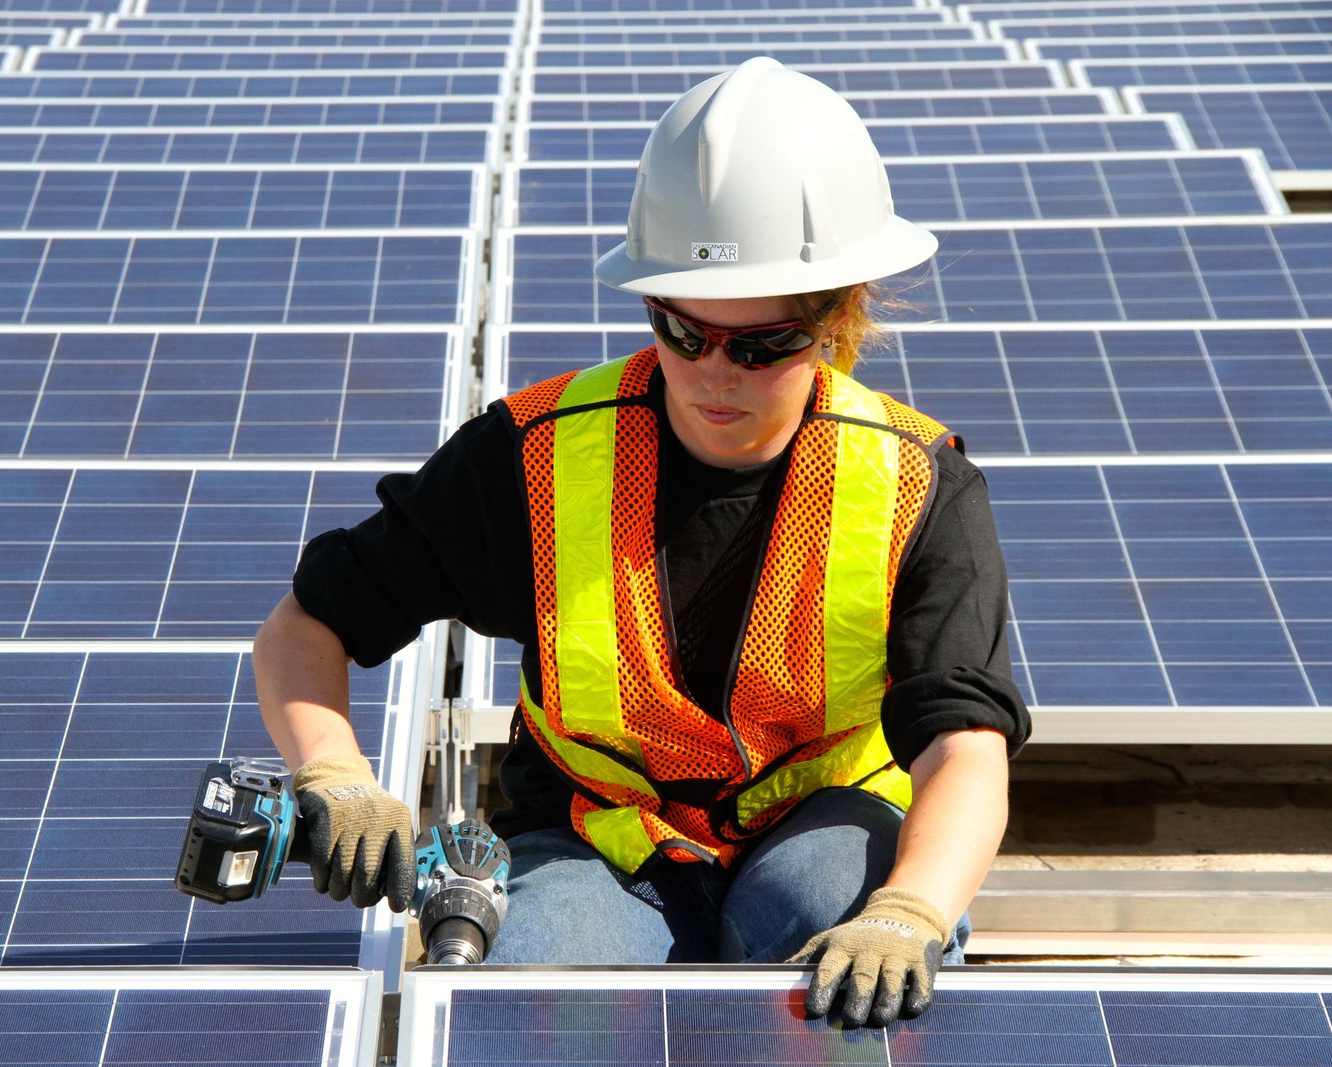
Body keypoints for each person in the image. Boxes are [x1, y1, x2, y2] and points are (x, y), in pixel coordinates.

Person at [255, 56, 1030, 1029]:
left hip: (819, 822)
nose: (716, 373)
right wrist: (332, 767)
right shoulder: (533, 457)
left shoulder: (918, 487)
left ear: (834, 320)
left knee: (837, 952)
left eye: (759, 346)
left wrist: (912, 908)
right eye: (682, 329)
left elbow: (965, 747)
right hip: (594, 833)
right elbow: (306, 624)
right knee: (551, 1009)